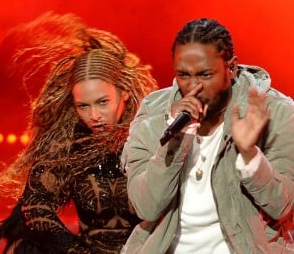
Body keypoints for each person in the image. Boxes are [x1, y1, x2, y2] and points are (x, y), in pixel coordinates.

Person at [121, 18, 294, 253]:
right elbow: (145, 207)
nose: (193, 87)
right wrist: (175, 140)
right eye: (183, 75)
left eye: (205, 75)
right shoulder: (155, 113)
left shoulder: (275, 111)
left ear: (231, 68)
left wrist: (250, 155)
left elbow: (283, 206)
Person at [0, 12, 158, 253]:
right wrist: (75, 251)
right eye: (83, 105)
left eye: (102, 102)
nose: (94, 115)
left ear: (124, 92)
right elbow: (35, 205)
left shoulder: (154, 137)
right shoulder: (69, 145)